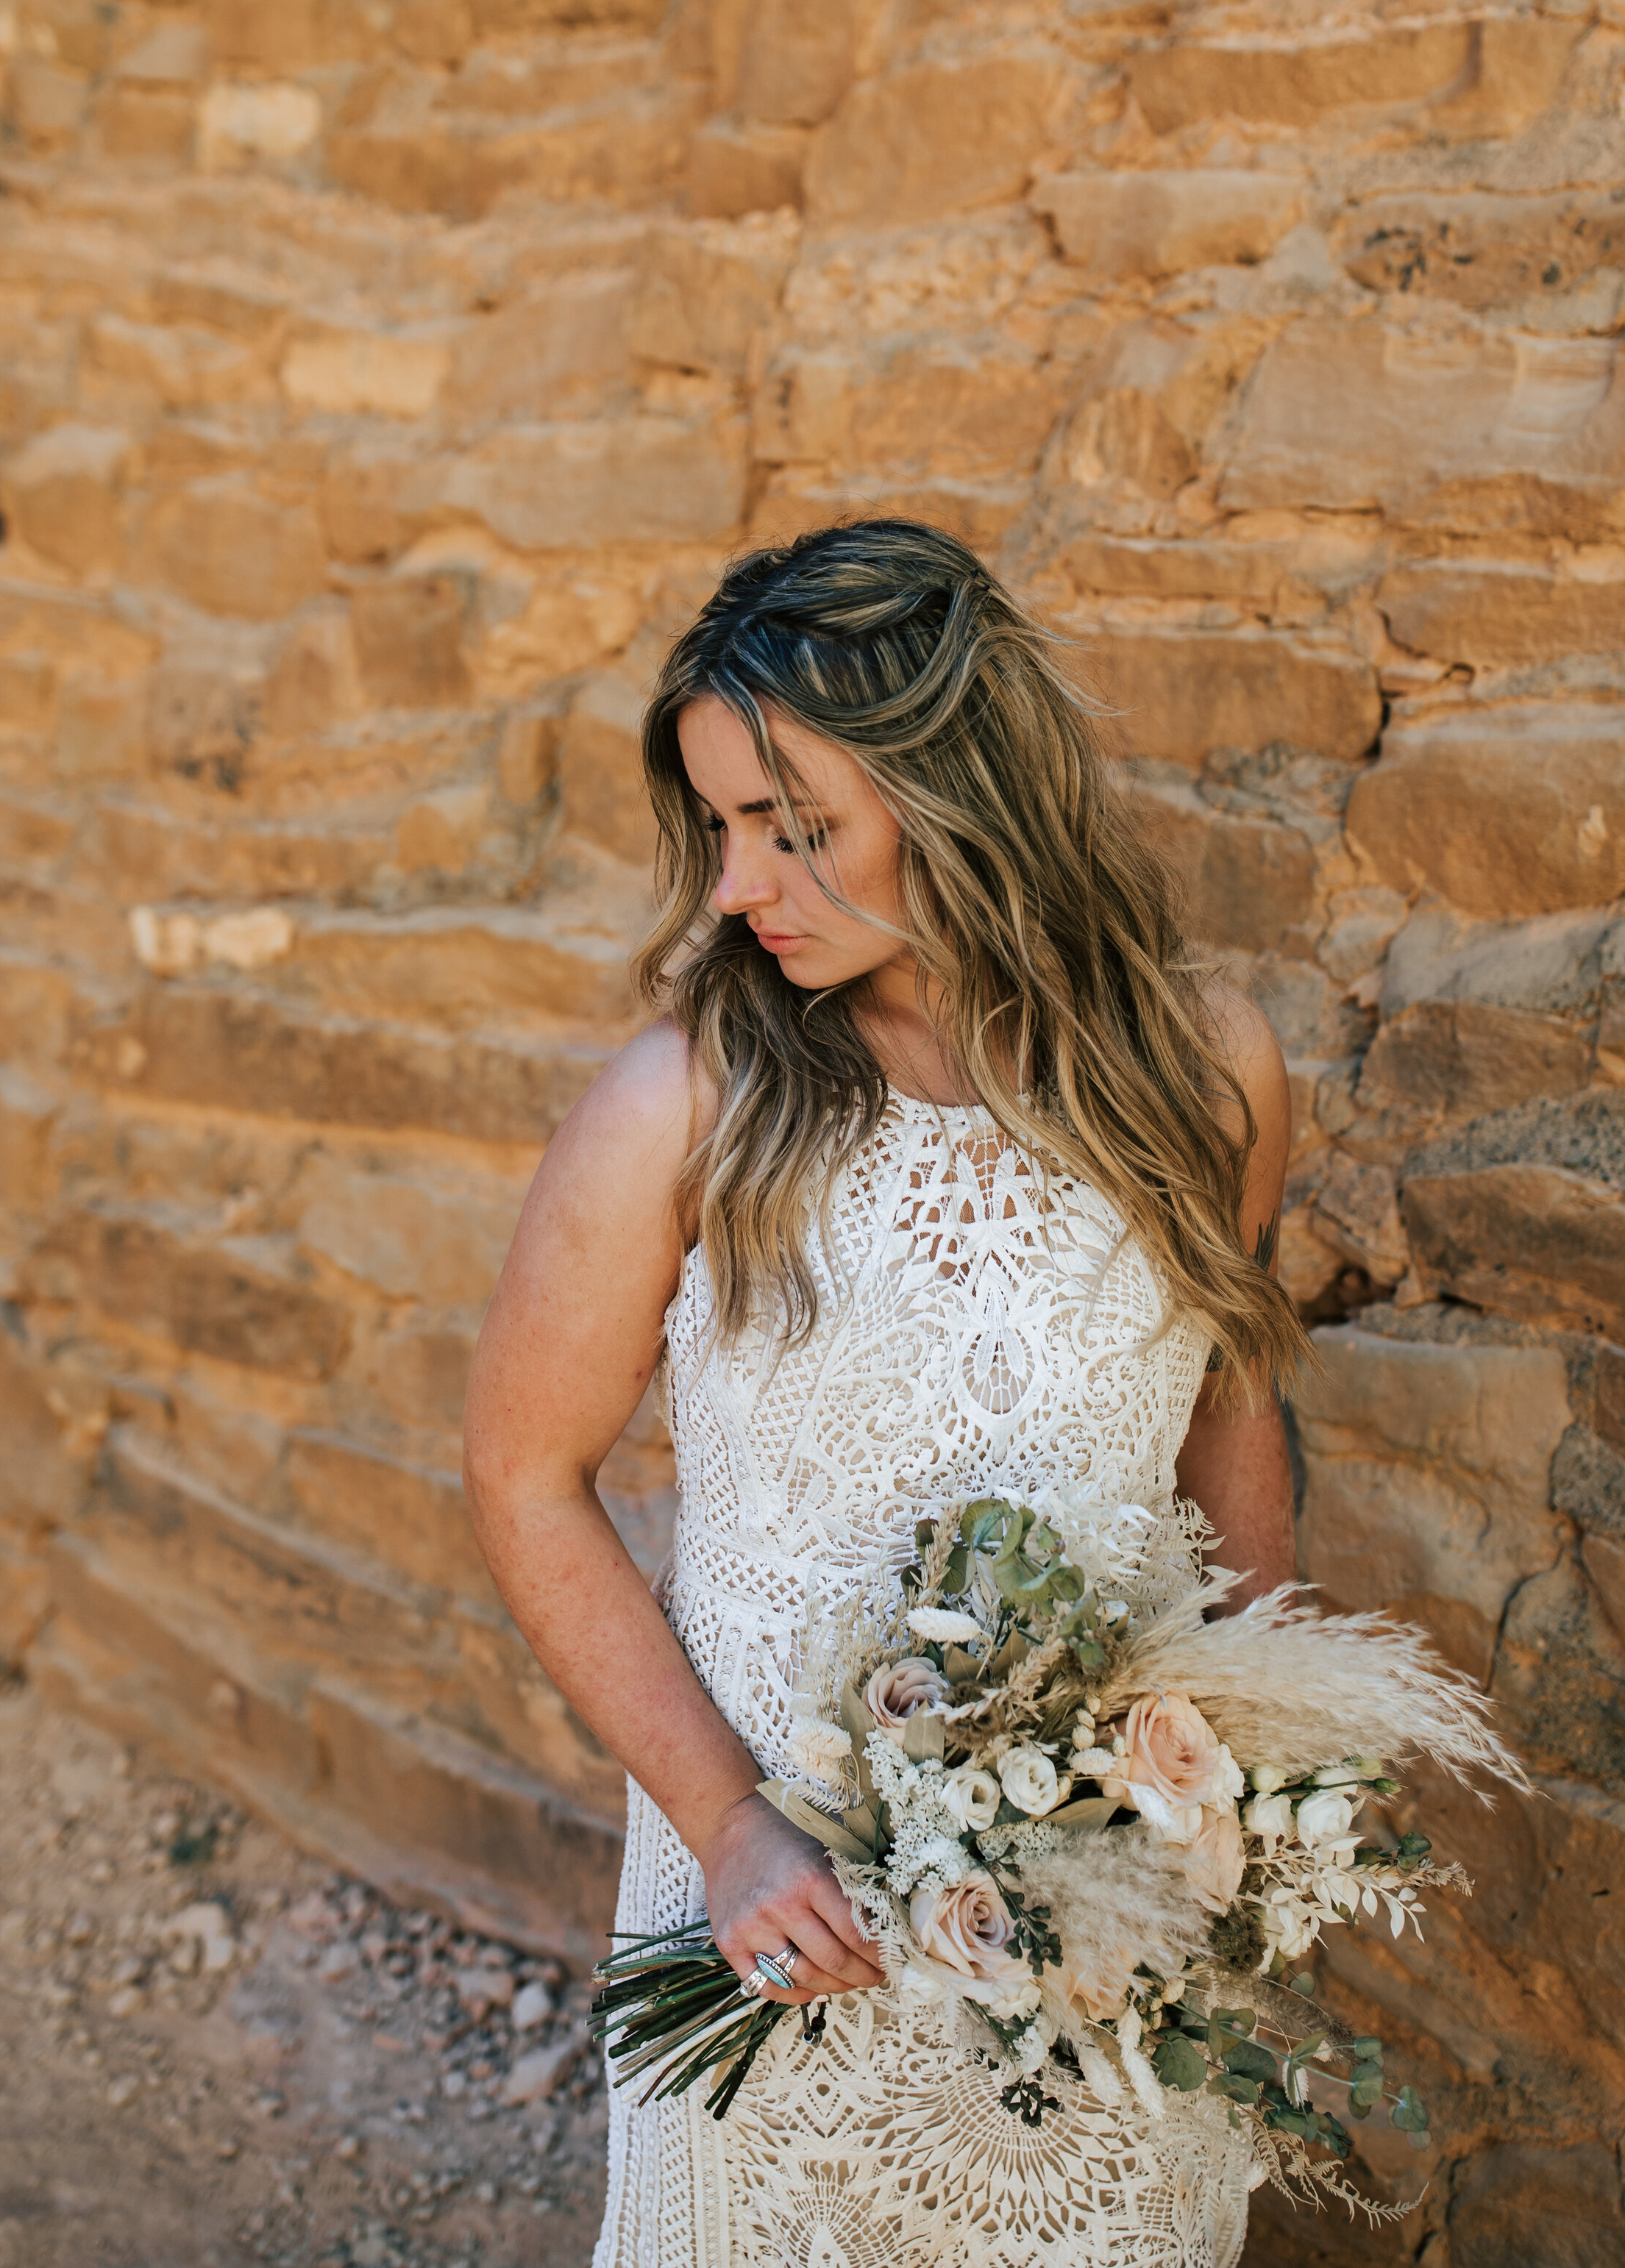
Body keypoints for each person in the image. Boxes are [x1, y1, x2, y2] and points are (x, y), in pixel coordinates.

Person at [464, 520, 1302, 2268]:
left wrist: (1253, 1763)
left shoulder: (1202, 1071)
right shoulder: (679, 1108)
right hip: (791, 1892)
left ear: (962, 788)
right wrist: (727, 1829)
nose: (735, 887)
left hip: (1103, 1876)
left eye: (795, 828)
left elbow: (1223, 1401)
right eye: (719, 830)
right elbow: (525, 1475)